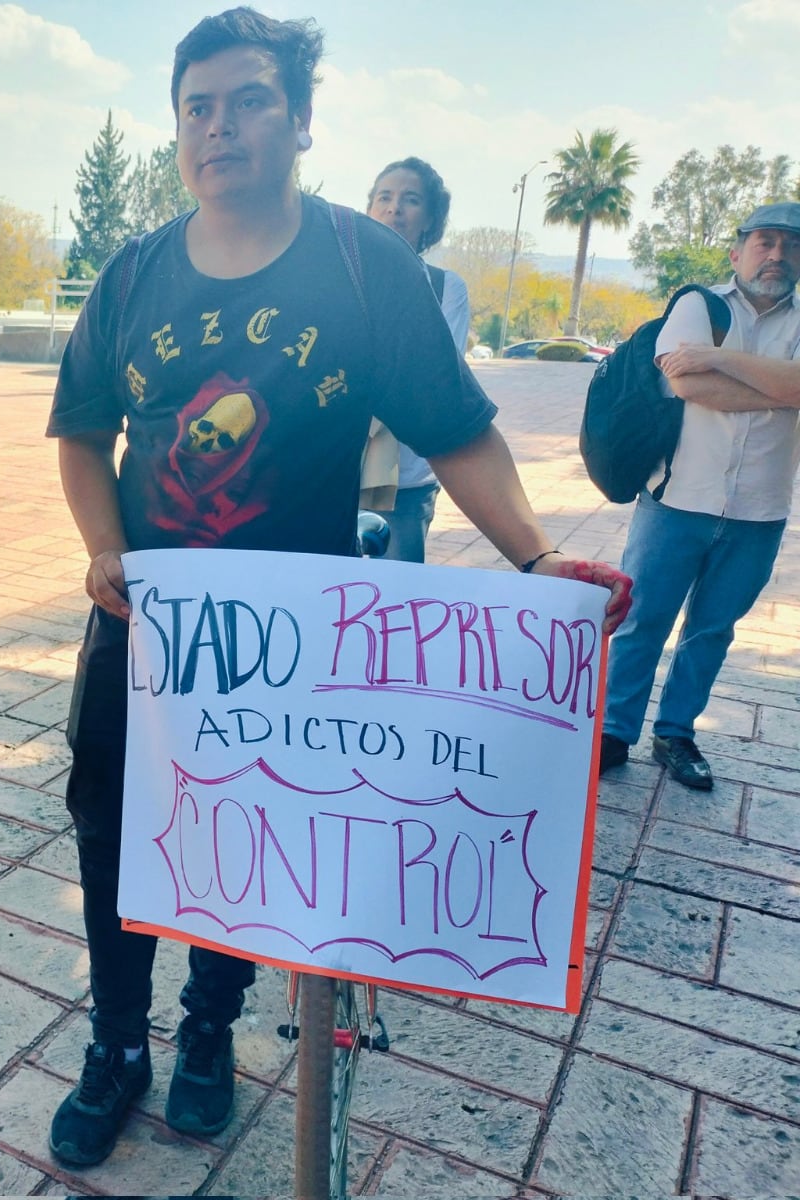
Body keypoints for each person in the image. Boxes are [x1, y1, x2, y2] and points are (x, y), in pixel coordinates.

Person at [44, 7, 632, 1167]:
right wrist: (103, 546)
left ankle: (208, 1030)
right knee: (111, 832)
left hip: (294, 646)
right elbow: (80, 433)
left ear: (302, 120)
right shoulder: (132, 272)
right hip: (145, 635)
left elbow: (455, 433)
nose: (219, 127)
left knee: (244, 832)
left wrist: (533, 557)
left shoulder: (365, 267)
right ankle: (115, 1043)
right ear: (176, 129)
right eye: (197, 108)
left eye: (249, 101)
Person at [599, 201, 800, 790]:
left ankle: (676, 733)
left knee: (712, 630)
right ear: (737, 252)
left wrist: (716, 357)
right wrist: (783, 389)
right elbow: (684, 382)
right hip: (677, 498)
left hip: (760, 509)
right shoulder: (698, 304)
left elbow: (704, 372)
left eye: (792, 244)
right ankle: (613, 731)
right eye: (765, 241)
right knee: (642, 619)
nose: (778, 254)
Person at [363, 157, 471, 561]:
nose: (394, 208)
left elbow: (434, 380)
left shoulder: (445, 289)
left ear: (430, 219)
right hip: (329, 474)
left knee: (391, 591)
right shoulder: (335, 278)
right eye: (384, 197)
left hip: (405, 485)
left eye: (410, 200)